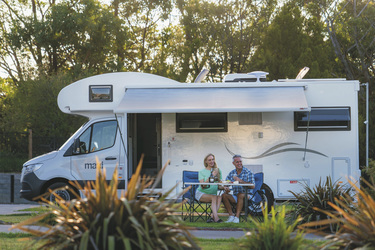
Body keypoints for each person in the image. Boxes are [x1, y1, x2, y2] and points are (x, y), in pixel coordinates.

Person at [222, 154, 254, 223]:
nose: (239, 163)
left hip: (248, 195)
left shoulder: (248, 172)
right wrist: (226, 187)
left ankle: (237, 217)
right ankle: (231, 216)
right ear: (233, 163)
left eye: (240, 161)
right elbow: (226, 182)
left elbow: (252, 186)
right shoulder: (232, 173)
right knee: (224, 195)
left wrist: (240, 181)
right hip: (236, 195)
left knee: (240, 194)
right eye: (237, 162)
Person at [195, 153, 223, 223]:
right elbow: (202, 186)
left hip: (213, 194)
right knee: (214, 197)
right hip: (201, 193)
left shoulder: (218, 171)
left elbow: (220, 184)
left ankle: (212, 218)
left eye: (213, 159)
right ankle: (216, 218)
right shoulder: (201, 172)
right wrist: (211, 175)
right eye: (209, 160)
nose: (211, 161)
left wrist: (225, 187)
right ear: (206, 162)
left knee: (219, 197)